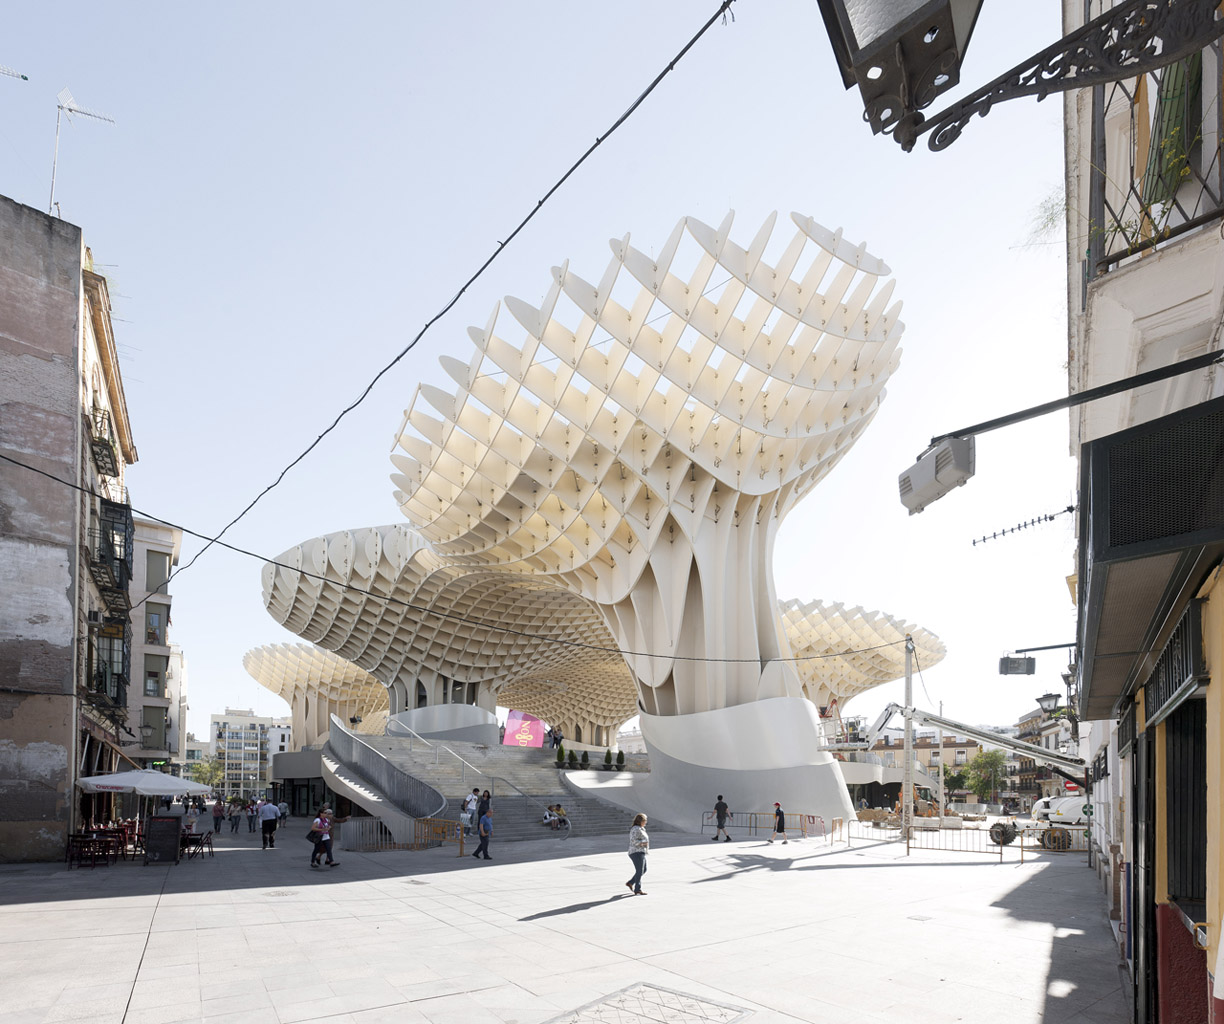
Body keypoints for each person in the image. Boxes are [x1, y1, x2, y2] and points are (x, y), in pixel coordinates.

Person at [625, 813, 649, 895]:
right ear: (640, 821)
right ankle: (637, 889)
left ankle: (631, 882)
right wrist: (644, 843)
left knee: (644, 869)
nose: (646, 822)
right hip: (636, 852)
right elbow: (633, 841)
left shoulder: (641, 828)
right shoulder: (636, 829)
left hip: (640, 852)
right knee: (639, 870)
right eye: (645, 820)